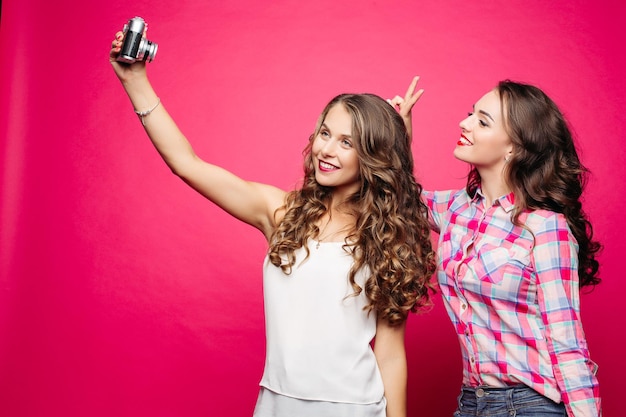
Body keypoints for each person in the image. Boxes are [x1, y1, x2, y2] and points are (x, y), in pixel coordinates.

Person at [109, 29, 436, 417]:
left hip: (355, 407)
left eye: (347, 142)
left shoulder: (385, 236)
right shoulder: (282, 213)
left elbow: (391, 353)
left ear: (372, 156)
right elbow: (187, 164)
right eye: (325, 133)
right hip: (276, 403)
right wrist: (135, 80)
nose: (326, 150)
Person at [389, 77, 602, 417]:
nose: (465, 123)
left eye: (482, 121)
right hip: (472, 402)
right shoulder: (456, 209)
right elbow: (397, 198)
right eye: (470, 114)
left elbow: (567, 341)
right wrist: (399, 138)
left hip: (532, 404)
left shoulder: (546, 228)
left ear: (514, 148)